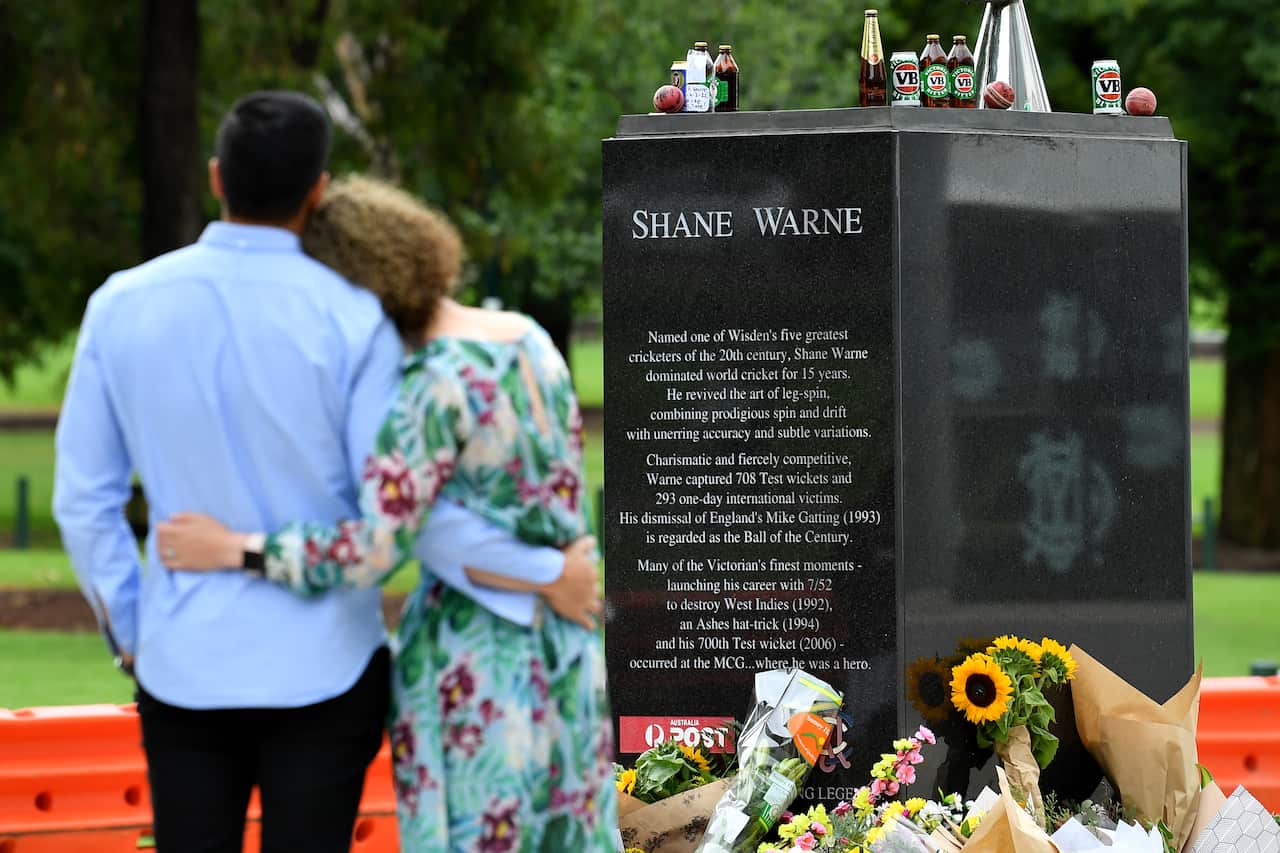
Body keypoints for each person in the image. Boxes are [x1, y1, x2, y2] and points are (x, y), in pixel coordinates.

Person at [52, 91, 599, 853]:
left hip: (181, 661)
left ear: (216, 178)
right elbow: (402, 509)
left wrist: (134, 633)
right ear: (318, 189)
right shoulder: (357, 316)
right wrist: (544, 568)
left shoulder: (119, 306)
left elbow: (84, 501)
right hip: (326, 666)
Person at [155, 176, 618, 852]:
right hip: (569, 650)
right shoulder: (528, 341)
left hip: (476, 665)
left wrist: (236, 548)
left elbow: (377, 545)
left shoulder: (429, 385)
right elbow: (546, 502)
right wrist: (552, 573)